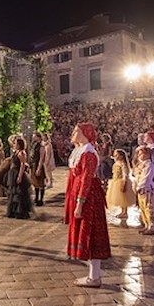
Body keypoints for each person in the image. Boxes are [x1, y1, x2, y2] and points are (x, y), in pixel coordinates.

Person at [66, 122, 111, 288]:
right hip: (82, 195)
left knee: (91, 234)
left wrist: (80, 203)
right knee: (86, 233)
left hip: (88, 198)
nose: (74, 133)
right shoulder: (82, 150)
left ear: (85, 133)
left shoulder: (89, 153)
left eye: (77, 131)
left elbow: (86, 179)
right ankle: (93, 274)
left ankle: (94, 276)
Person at [6, 137, 33, 219]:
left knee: (19, 193)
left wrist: (20, 176)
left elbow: (22, 164)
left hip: (18, 172)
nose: (14, 144)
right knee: (13, 192)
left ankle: (20, 212)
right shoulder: (16, 152)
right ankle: (13, 211)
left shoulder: (22, 153)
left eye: (16, 143)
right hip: (13, 173)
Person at [132, 145, 154, 235]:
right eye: (138, 153)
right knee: (142, 208)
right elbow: (136, 177)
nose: (139, 155)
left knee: (149, 207)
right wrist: (135, 185)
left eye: (141, 153)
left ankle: (152, 226)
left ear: (147, 154)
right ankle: (146, 224)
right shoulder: (140, 165)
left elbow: (146, 178)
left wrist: (140, 186)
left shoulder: (149, 165)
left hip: (147, 189)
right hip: (140, 189)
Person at [106, 149, 136, 219]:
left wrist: (124, 182)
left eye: (117, 155)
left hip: (121, 181)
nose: (115, 156)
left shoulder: (122, 164)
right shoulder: (116, 163)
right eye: (115, 155)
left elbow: (125, 174)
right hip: (115, 181)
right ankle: (122, 211)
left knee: (124, 197)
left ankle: (125, 212)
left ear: (121, 156)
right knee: (121, 198)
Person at [30, 132, 46, 206]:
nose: (33, 138)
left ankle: (41, 199)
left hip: (37, 165)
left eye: (34, 136)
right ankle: (36, 198)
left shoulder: (41, 146)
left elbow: (41, 158)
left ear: (38, 137)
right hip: (33, 164)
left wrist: (39, 168)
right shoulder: (34, 145)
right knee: (35, 182)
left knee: (40, 183)